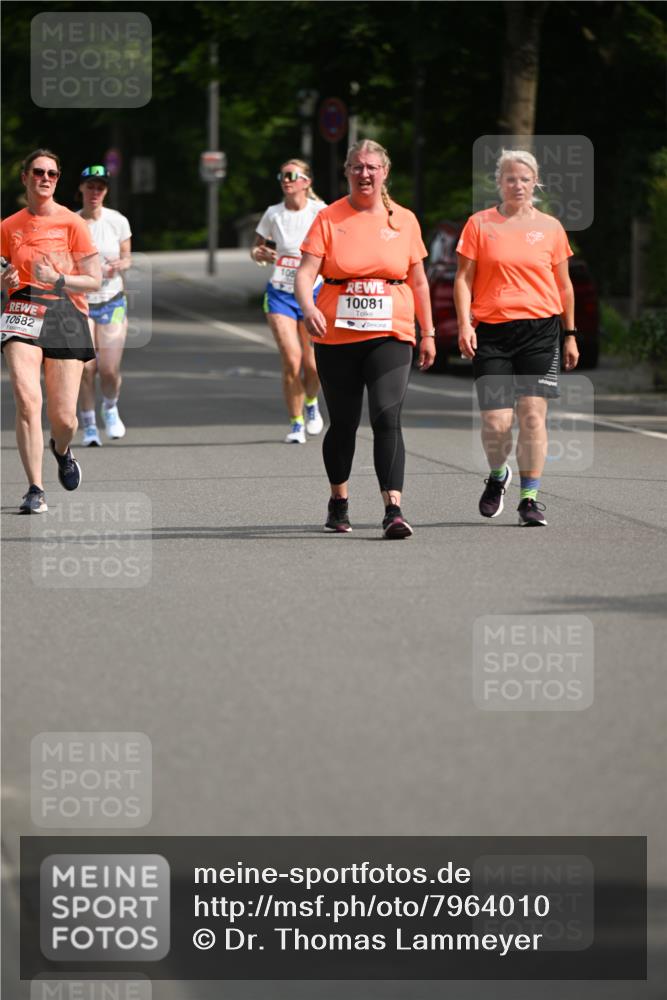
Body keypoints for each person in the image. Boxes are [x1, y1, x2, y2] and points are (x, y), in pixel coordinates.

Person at [295, 139, 436, 538]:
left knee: (387, 417)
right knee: (342, 423)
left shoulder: (404, 219)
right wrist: (309, 308)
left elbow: (419, 281)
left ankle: (393, 509)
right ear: (347, 172)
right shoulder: (328, 217)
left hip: (391, 330)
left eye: (372, 167)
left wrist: (428, 333)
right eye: (357, 167)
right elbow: (305, 273)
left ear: (385, 172)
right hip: (337, 333)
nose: (365, 174)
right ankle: (339, 501)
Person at [454, 148, 579, 527]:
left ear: (535, 182)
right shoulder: (479, 224)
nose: (518, 185)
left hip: (540, 331)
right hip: (492, 331)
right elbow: (462, 279)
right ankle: (498, 476)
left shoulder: (552, 228)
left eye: (525, 179)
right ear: (499, 182)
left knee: (532, 415)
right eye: (511, 178)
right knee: (495, 421)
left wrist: (570, 334)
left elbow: (564, 286)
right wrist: (464, 324)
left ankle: (530, 498)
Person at [1, 149, 101, 514]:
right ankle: (35, 488)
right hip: (21, 310)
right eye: (39, 172)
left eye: (53, 174)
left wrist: (59, 278)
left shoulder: (73, 224)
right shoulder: (7, 226)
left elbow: (94, 279)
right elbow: (1, 275)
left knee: (65, 418)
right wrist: (4, 279)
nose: (45, 178)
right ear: (25, 177)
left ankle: (61, 449)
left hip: (64, 313)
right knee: (28, 401)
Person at [252, 159, 326, 444]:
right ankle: (296, 424)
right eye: (281, 175)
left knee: (313, 364)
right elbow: (255, 248)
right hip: (280, 292)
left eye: (292, 175)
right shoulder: (273, 214)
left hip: (314, 292)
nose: (286, 180)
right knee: (292, 361)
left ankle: (310, 401)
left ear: (306, 182)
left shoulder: (321, 211)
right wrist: (260, 254)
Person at [77, 164, 132, 445]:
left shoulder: (118, 221)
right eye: (90, 186)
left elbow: (127, 258)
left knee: (109, 368)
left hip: (112, 300)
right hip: (82, 302)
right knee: (87, 367)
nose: (95, 192)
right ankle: (88, 426)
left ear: (105, 191)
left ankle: (110, 407)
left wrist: (120, 264)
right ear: (81, 189)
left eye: (100, 187)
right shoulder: (71, 222)